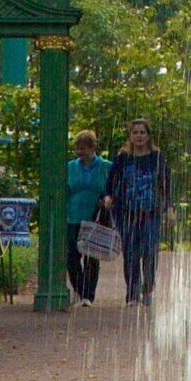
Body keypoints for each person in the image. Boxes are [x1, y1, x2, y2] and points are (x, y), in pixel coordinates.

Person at [102, 119, 167, 306]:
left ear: (148, 135)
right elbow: (111, 181)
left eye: (142, 132)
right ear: (130, 136)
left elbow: (165, 183)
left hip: (150, 212)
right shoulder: (123, 158)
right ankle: (132, 293)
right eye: (135, 133)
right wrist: (108, 196)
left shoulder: (156, 157)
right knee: (131, 253)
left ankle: (147, 290)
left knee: (150, 252)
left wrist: (169, 208)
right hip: (127, 212)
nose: (139, 136)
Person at [62, 128, 114, 305]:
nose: (80, 152)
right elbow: (65, 190)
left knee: (92, 256)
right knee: (72, 257)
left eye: (83, 148)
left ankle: (88, 295)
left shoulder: (106, 167)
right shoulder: (69, 167)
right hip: (73, 216)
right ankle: (80, 288)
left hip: (95, 218)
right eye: (78, 148)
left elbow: (113, 188)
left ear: (93, 148)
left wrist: (106, 199)